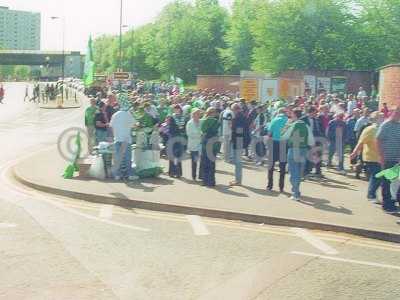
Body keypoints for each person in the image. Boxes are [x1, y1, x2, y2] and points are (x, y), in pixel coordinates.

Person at [350, 112, 382, 203]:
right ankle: (371, 195)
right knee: (376, 176)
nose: (383, 118)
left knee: (379, 176)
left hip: (380, 157)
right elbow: (361, 142)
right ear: (375, 119)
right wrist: (354, 153)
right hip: (370, 156)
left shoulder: (382, 128)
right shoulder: (369, 129)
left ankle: (372, 194)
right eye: (380, 117)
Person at [283, 108, 314, 201]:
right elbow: (311, 141)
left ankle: (295, 193)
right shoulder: (306, 125)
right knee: (299, 172)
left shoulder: (292, 125)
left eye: (291, 114)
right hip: (303, 150)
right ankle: (296, 191)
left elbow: (283, 136)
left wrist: (287, 125)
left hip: (293, 149)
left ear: (294, 115)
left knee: (293, 172)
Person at [376, 107, 400, 214]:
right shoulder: (386, 125)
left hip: (397, 159)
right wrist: (381, 157)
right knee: (387, 182)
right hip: (387, 159)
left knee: (395, 183)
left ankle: (393, 201)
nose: (398, 115)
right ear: (392, 113)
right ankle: (387, 204)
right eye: (397, 112)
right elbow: (378, 140)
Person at [110, 105, 137, 181]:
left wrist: (115, 135)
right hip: (126, 139)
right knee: (127, 158)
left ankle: (117, 175)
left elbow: (111, 126)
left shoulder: (115, 115)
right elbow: (134, 125)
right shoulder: (128, 114)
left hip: (117, 139)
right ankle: (129, 174)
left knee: (118, 158)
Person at [266, 108, 288, 192]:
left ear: (278, 113)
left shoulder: (274, 120)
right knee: (282, 167)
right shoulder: (288, 121)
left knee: (271, 166)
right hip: (284, 143)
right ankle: (281, 187)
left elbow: (269, 133)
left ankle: (269, 185)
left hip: (274, 143)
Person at [301, 106, 324, 177]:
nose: (316, 114)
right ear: (310, 112)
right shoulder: (303, 119)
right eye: (314, 112)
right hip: (306, 140)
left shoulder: (316, 120)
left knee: (318, 155)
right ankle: (305, 171)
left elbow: (319, 129)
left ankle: (317, 171)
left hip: (316, 139)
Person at [200, 107, 220, 187]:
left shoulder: (205, 121)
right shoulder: (217, 122)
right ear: (213, 113)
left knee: (205, 162)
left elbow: (203, 132)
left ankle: (205, 181)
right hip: (214, 143)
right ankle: (212, 181)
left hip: (206, 143)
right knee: (212, 163)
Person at [229, 103, 248, 186]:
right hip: (241, 140)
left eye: (232, 110)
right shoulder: (242, 116)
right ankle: (238, 179)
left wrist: (231, 127)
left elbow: (238, 130)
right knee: (238, 162)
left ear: (235, 110)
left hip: (238, 141)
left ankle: (238, 180)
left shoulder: (237, 118)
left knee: (238, 162)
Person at [167, 105, 186, 178]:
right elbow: (171, 128)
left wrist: (180, 129)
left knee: (178, 156)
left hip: (180, 139)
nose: (177, 110)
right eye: (175, 109)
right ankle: (172, 172)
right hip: (173, 138)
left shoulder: (183, 117)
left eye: (178, 109)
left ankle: (178, 172)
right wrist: (179, 128)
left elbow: (184, 128)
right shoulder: (172, 117)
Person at [186, 108, 202, 181]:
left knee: (202, 161)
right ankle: (194, 176)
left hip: (201, 144)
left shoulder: (201, 122)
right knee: (194, 161)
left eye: (199, 113)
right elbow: (189, 134)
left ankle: (201, 175)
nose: (198, 115)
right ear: (193, 114)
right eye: (197, 113)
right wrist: (199, 135)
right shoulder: (189, 123)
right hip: (193, 145)